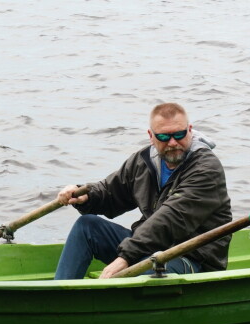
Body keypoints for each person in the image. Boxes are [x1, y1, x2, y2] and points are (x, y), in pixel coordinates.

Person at [54, 103, 232, 279]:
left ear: (190, 130)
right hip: (148, 247)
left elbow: (171, 219)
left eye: (179, 134)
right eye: (163, 136)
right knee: (87, 226)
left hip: (192, 259)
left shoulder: (206, 169)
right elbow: (111, 192)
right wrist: (85, 196)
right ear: (151, 136)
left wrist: (126, 257)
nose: (172, 142)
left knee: (148, 270)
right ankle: (61, 297)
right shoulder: (144, 161)